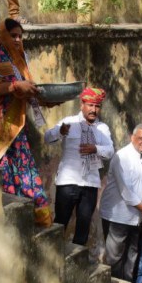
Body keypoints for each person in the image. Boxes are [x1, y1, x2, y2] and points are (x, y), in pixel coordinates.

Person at [0, 17, 53, 225]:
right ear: (2, 35)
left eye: (21, 36)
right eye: (13, 36)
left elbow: (28, 89)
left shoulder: (19, 59)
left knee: (27, 177)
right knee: (4, 178)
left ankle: (34, 222)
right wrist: (13, 87)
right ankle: (7, 225)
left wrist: (47, 100)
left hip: (17, 129)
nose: (18, 40)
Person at [44, 87, 114, 245]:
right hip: (68, 182)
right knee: (59, 224)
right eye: (90, 105)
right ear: (82, 104)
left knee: (83, 227)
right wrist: (59, 132)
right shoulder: (68, 122)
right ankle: (52, 260)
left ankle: (76, 265)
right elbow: (47, 138)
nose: (94, 110)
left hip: (90, 184)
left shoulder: (103, 128)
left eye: (97, 106)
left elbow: (110, 151)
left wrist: (96, 148)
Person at [99, 125, 142, 282]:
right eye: (141, 138)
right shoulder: (122, 157)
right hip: (117, 216)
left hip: (136, 217)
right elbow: (126, 191)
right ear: (132, 137)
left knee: (132, 255)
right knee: (115, 258)